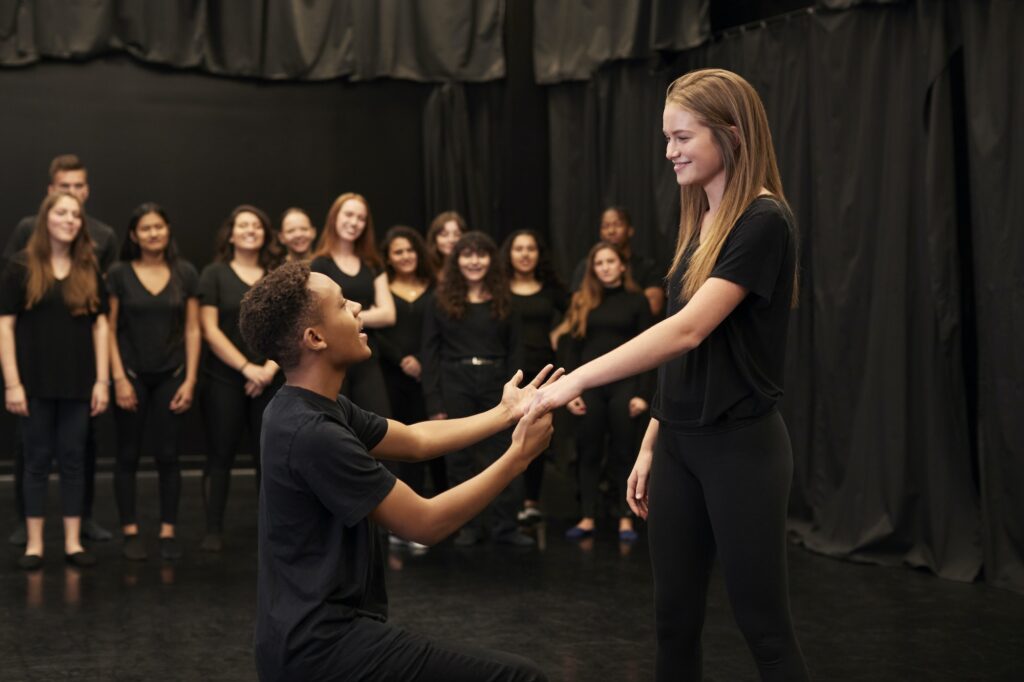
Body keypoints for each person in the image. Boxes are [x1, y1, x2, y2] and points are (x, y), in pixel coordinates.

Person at [532, 68, 810, 680]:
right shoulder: (698, 224)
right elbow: (683, 354)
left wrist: (576, 379)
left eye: (682, 137)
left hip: (742, 449)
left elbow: (686, 331)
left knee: (764, 629)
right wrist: (654, 440)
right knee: (673, 622)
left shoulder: (763, 221)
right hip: (681, 444)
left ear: (730, 135)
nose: (669, 152)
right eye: (667, 138)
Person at [239, 261, 554, 681]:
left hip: (309, 638)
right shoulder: (313, 432)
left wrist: (504, 413)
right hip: (320, 649)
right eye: (341, 304)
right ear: (315, 338)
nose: (356, 306)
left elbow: (415, 441)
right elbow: (426, 523)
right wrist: (517, 458)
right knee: (520, 678)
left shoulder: (306, 404)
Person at [4, 154, 117, 545]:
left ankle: (75, 534)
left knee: (76, 457)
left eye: (75, 211)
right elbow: (7, 321)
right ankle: (32, 536)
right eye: (61, 209)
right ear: (46, 211)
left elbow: (102, 321)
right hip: (34, 377)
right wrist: (12, 382)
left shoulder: (93, 260)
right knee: (33, 458)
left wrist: (104, 379)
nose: (69, 217)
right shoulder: (22, 260)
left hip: (79, 378)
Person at [421, 232, 532, 547]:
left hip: (499, 381)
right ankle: (467, 527)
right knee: (459, 458)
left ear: (491, 260)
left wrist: (517, 390)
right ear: (457, 261)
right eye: (467, 255)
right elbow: (429, 355)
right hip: (454, 379)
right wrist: (434, 402)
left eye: (481, 254)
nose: (474, 261)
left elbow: (516, 351)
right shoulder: (439, 301)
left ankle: (505, 527)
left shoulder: (505, 300)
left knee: (505, 452)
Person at [107, 203, 200, 561]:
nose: (153, 233)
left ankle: (167, 531)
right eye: (145, 228)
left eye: (159, 227)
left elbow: (193, 329)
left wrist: (190, 379)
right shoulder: (118, 273)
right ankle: (129, 530)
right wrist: (119, 378)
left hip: (172, 375)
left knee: (168, 455)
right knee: (127, 455)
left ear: (168, 230)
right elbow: (110, 329)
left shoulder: (185, 272)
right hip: (130, 375)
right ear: (133, 235)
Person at [197, 204, 283, 552]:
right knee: (221, 454)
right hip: (224, 379)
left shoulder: (277, 274)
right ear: (230, 235)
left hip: (272, 375)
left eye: (256, 226)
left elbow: (287, 326)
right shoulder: (214, 274)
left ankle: (272, 530)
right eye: (242, 225)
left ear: (265, 234)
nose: (250, 230)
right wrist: (247, 369)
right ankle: (213, 529)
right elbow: (208, 329)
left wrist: (267, 369)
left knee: (269, 458)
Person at [561, 242, 653, 543]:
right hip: (590, 385)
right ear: (592, 269)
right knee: (588, 450)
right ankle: (587, 516)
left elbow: (651, 349)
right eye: (598, 263)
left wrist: (643, 394)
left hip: (626, 384)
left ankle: (626, 519)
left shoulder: (637, 301)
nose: (604, 267)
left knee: (624, 451)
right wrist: (568, 391)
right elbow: (572, 348)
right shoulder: (582, 301)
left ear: (622, 265)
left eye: (610, 261)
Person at [376, 226, 447, 520]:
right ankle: (406, 516)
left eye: (410, 250)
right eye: (398, 252)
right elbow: (374, 331)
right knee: (403, 445)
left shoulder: (436, 287)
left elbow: (442, 332)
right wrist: (402, 359)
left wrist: (421, 360)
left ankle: (446, 511)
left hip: (431, 374)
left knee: (439, 441)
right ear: (389, 259)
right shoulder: (381, 290)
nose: (406, 256)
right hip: (392, 375)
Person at [501, 229, 568, 524]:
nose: (525, 254)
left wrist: (558, 332)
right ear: (509, 254)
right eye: (519, 249)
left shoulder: (549, 288)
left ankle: (531, 501)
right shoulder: (500, 288)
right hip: (508, 372)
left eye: (531, 248)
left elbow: (580, 310)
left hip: (542, 371)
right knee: (505, 436)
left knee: (537, 434)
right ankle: (507, 500)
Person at [311, 193, 395, 416]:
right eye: (349, 214)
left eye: (361, 218)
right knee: (338, 426)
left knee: (379, 423)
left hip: (367, 355)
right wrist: (369, 313)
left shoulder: (373, 264)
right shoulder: (319, 264)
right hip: (332, 359)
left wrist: (341, 313)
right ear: (334, 217)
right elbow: (320, 314)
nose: (354, 222)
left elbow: (388, 315)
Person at [568, 206, 665, 317]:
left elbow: (652, 308)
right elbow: (577, 309)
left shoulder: (648, 267)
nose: (611, 231)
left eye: (618, 225)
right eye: (606, 226)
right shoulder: (586, 266)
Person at [425, 210, 466, 278]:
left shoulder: (470, 267)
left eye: (457, 235)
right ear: (434, 239)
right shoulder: (426, 268)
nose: (451, 239)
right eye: (444, 235)